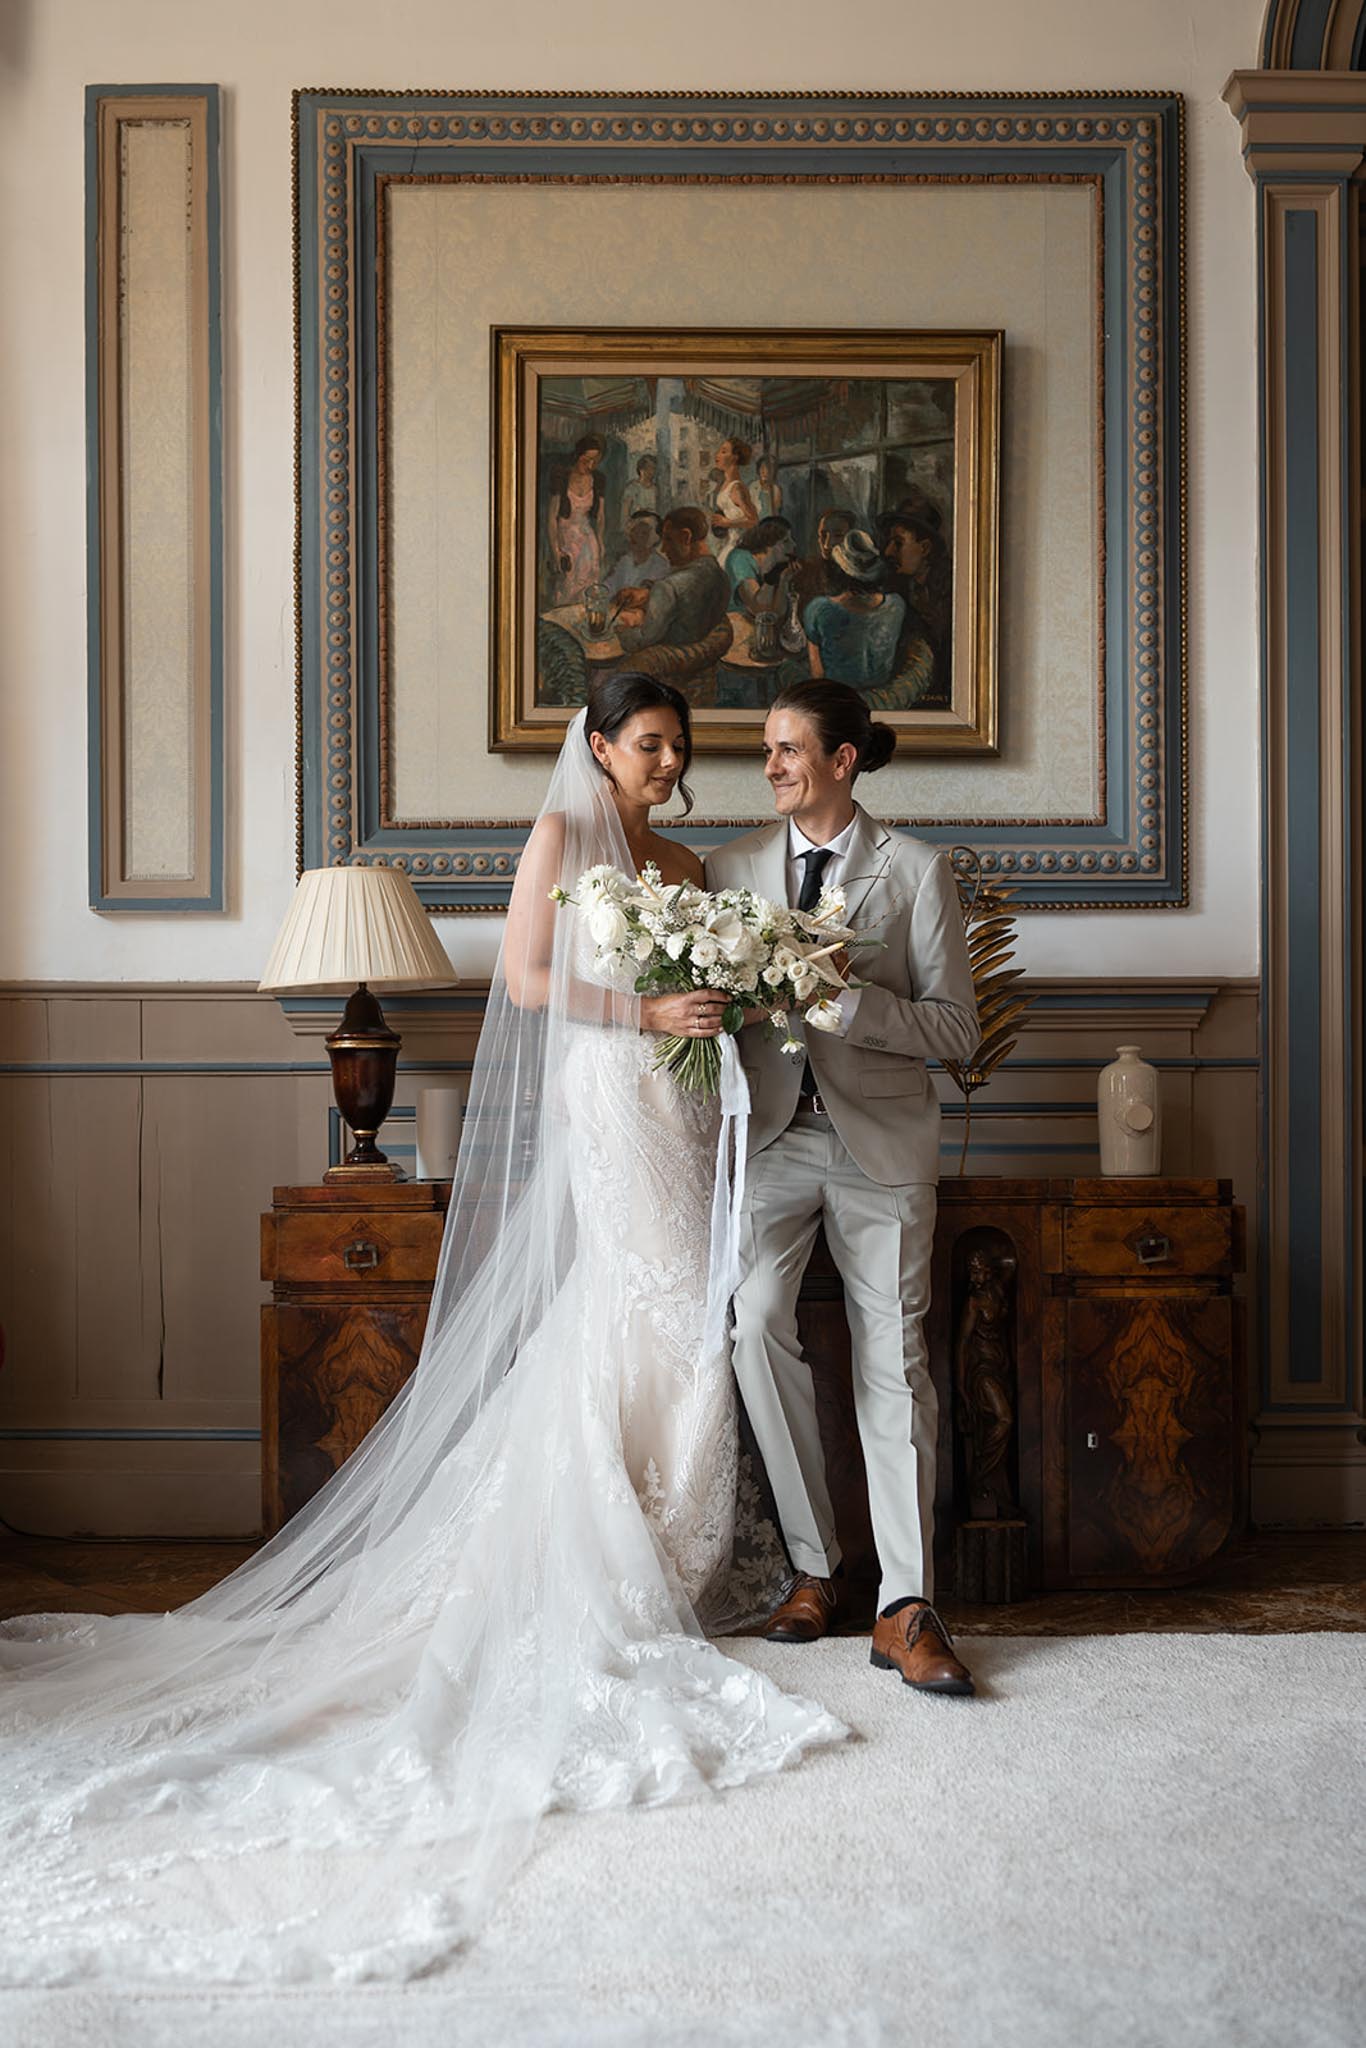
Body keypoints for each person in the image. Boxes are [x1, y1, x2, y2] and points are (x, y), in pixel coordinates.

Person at [0, 675, 843, 1986]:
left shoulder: (679, 858)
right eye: (649, 741)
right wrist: (652, 1012)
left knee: (681, 1319)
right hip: (610, 1098)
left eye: (681, 744)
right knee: (650, 1300)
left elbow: (714, 979)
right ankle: (616, 1551)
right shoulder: (562, 843)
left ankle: (676, 1538)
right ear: (601, 746)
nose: (670, 760)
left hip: (680, 1110)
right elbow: (526, 974)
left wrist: (723, 1002)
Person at [705, 680, 981, 1695]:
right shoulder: (729, 867)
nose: (771, 764)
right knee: (753, 1318)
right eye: (768, 750)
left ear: (842, 760)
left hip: (881, 1148)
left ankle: (905, 1606)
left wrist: (847, 999)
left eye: (787, 749)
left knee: (894, 1358)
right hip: (774, 1139)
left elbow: (958, 1031)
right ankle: (813, 1566)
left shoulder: (916, 871)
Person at [616, 505, 730, 655]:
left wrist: (618, 631)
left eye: (668, 539)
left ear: (686, 537)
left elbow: (640, 640)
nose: (663, 549)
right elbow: (686, 597)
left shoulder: (668, 587)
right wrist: (648, 592)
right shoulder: (721, 577)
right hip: (699, 662)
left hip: (665, 665)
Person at [803, 528, 905, 690]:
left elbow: (817, 673)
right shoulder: (897, 604)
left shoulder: (819, 609)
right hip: (880, 690)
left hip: (837, 692)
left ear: (841, 570)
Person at [547, 433, 607, 604]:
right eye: (586, 460)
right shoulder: (561, 476)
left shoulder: (599, 479)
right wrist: (555, 550)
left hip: (587, 537)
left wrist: (601, 542)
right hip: (565, 535)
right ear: (577, 455)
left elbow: (601, 516)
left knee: (589, 583)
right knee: (567, 584)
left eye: (595, 461)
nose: (590, 465)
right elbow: (552, 517)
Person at [726, 514, 797, 618]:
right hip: (737, 624)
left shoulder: (777, 566)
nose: (794, 545)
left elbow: (778, 612)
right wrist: (771, 577)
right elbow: (758, 609)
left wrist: (783, 580)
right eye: (785, 541)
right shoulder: (739, 559)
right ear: (769, 544)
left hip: (760, 626)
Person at [709, 437, 758, 568]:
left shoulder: (737, 488)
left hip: (740, 545)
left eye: (724, 452)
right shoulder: (725, 484)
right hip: (729, 541)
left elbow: (753, 520)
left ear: (735, 457)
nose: (717, 455)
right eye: (719, 451)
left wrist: (727, 523)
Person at [604, 510, 669, 595]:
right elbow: (608, 587)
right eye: (633, 530)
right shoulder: (624, 561)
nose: (635, 536)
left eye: (643, 533)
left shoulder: (660, 566)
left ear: (655, 538)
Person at [752, 452, 783, 521]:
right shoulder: (753, 486)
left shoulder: (775, 489)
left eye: (768, 469)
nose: (764, 472)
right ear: (758, 469)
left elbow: (775, 512)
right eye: (762, 468)